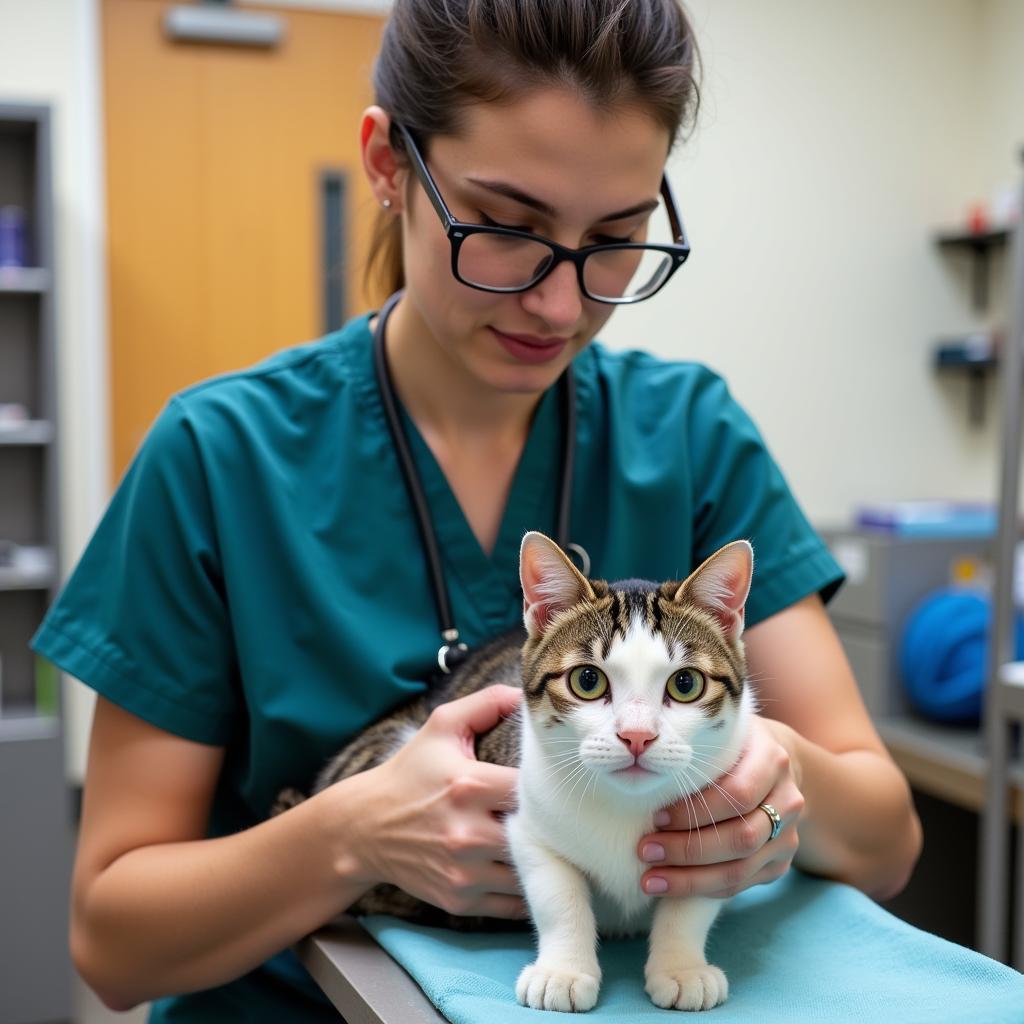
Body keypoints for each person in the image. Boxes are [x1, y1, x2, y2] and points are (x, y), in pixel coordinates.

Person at [33, 1, 922, 1020]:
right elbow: (111, 943)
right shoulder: (219, 456)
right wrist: (350, 836)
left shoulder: (688, 433)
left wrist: (764, 781)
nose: (560, 304)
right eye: (506, 227)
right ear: (387, 165)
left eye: (617, 237)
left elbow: (887, 839)